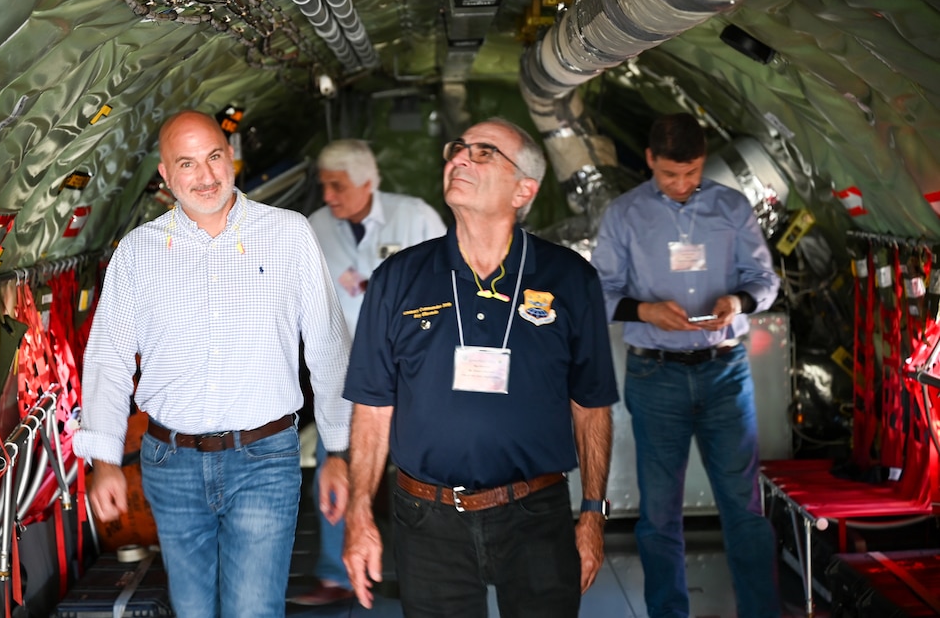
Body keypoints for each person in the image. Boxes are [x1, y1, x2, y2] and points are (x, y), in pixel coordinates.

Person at [73, 110, 352, 618]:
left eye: (214, 157)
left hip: (265, 459)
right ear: (164, 175)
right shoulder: (137, 253)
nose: (205, 176)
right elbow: (108, 360)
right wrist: (104, 460)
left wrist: (339, 450)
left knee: (254, 609)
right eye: (187, 163)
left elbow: (329, 347)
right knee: (193, 608)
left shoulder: (289, 234)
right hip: (169, 462)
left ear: (231, 158)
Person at [342, 117, 619, 617]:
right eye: (457, 149)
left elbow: (591, 406)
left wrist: (593, 514)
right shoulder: (398, 279)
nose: (459, 159)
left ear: (523, 190)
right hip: (426, 518)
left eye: (484, 152)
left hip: (536, 513)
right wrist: (360, 512)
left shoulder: (570, 279)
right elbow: (373, 407)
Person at [591, 112, 782, 618]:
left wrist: (738, 303)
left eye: (692, 172)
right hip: (656, 375)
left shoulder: (732, 207)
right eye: (671, 173)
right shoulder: (624, 215)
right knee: (658, 515)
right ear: (650, 160)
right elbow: (600, 292)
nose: (681, 185)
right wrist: (645, 310)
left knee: (744, 509)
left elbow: (765, 279)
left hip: (726, 372)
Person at [291, 139, 446, 606]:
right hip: (343, 373)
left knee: (421, 474)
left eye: (337, 186)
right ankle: (336, 574)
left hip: (412, 371)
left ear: (367, 183)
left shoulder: (414, 217)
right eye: (325, 186)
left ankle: (431, 577)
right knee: (334, 465)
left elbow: (450, 283)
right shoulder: (316, 228)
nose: (329, 196)